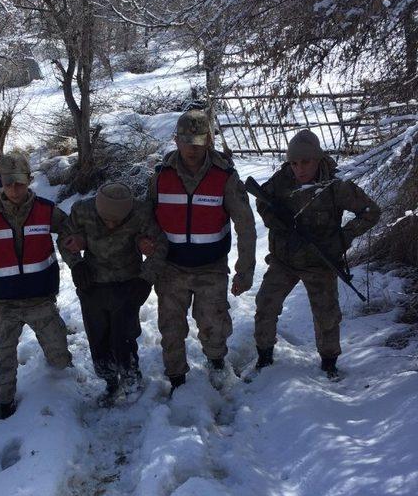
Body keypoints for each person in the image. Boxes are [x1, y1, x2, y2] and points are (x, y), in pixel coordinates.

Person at [254, 128, 381, 378]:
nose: (299, 169)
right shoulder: (282, 180)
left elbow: (371, 212)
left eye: (305, 162)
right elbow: (261, 200)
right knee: (265, 305)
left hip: (321, 261)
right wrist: (276, 221)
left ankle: (329, 363)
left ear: (319, 159)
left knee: (327, 315)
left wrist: (343, 237)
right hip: (285, 260)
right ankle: (264, 357)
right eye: (293, 163)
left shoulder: (336, 185)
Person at [149, 106, 256, 390]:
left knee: (213, 324)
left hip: (211, 267)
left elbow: (245, 225)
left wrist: (245, 270)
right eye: (186, 142)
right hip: (171, 267)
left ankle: (217, 361)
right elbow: (145, 217)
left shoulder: (224, 177)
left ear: (208, 141)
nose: (192, 149)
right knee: (171, 327)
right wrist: (143, 243)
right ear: (176, 141)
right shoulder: (161, 175)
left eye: (198, 143)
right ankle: (176, 377)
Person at [0, 154, 74, 419]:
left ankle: (61, 386)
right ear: (1, 182)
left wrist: (76, 250)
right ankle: (4, 405)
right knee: (3, 362)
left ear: (29, 181)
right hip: (3, 305)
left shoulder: (47, 210)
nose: (14, 189)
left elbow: (72, 232)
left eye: (20, 184)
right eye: (9, 183)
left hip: (41, 300)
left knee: (60, 355)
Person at [63, 182, 167, 404]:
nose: (111, 224)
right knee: (98, 339)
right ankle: (110, 381)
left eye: (117, 221)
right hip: (92, 284)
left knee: (124, 338)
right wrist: (76, 264)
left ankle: (131, 380)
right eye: (106, 219)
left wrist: (146, 279)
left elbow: (160, 245)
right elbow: (65, 238)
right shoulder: (82, 210)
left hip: (128, 283)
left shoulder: (141, 212)